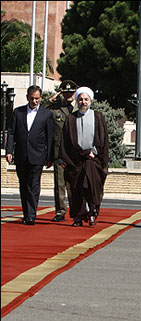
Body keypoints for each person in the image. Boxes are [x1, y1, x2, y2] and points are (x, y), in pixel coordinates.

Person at [59, 87, 109, 227]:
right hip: (75, 160)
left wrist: (96, 153)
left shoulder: (97, 117)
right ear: (77, 101)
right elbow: (65, 141)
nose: (83, 102)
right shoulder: (70, 119)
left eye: (86, 99)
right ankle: (78, 216)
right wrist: (63, 158)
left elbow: (103, 139)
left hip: (92, 159)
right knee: (76, 189)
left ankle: (93, 213)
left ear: (90, 101)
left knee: (92, 188)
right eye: (80, 99)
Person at [5, 85, 54, 225]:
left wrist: (50, 157)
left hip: (37, 156)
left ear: (41, 98)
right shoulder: (18, 112)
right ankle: (26, 214)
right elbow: (12, 132)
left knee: (34, 185)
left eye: (37, 98)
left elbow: (50, 137)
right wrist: (9, 151)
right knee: (23, 185)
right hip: (21, 155)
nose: (34, 101)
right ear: (27, 97)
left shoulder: (46, 114)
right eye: (32, 98)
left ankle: (31, 216)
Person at [43, 79, 78, 222]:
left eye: (71, 92)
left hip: (76, 154)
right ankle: (60, 211)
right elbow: (40, 113)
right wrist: (50, 100)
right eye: (65, 93)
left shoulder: (80, 108)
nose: (68, 95)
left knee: (75, 185)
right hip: (59, 153)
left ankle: (76, 211)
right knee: (60, 185)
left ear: (75, 92)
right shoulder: (55, 108)